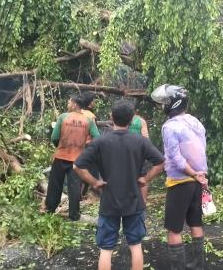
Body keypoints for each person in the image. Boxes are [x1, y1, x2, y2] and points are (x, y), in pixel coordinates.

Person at [73, 100, 165, 270]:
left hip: (109, 201)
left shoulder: (100, 142)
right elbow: (160, 163)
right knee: (136, 245)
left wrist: (95, 182)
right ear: (132, 119)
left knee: (106, 248)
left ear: (111, 117)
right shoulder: (140, 141)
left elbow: (77, 166)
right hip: (134, 201)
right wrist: (146, 178)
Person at [151, 84, 208, 270]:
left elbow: (175, 158)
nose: (162, 106)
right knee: (195, 223)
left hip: (180, 181)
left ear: (172, 104)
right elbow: (201, 150)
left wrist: (191, 173)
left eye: (165, 102)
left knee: (174, 229)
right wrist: (199, 175)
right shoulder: (195, 121)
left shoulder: (169, 127)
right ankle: (198, 265)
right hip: (197, 181)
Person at [45, 95, 100, 221]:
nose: (68, 104)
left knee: (55, 185)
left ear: (75, 104)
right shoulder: (88, 120)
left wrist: (59, 146)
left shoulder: (63, 117)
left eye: (69, 102)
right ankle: (74, 215)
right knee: (75, 187)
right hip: (78, 159)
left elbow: (54, 137)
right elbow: (97, 137)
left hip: (61, 156)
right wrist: (86, 150)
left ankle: (50, 210)